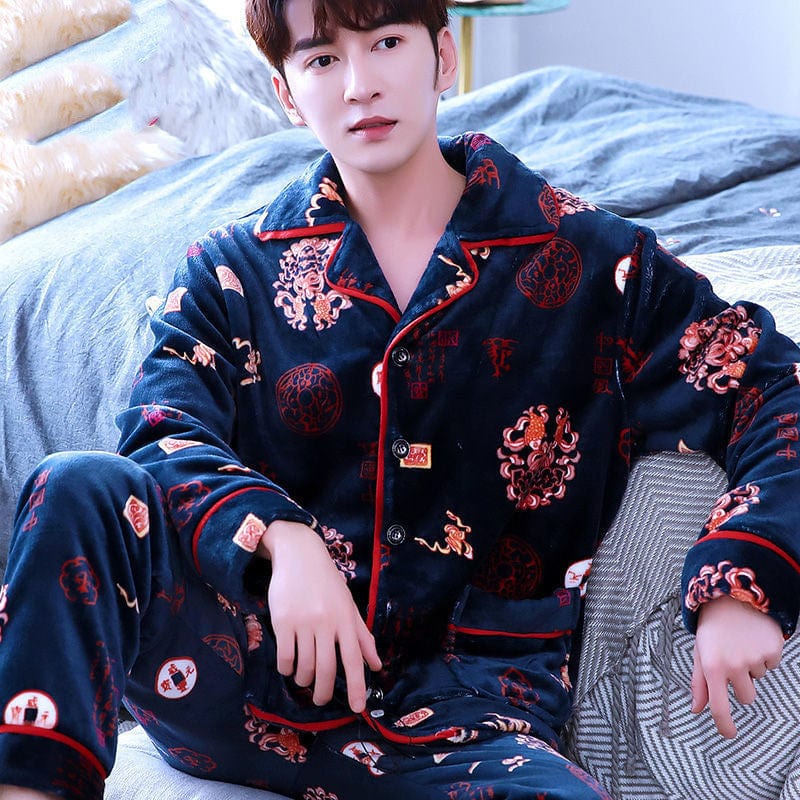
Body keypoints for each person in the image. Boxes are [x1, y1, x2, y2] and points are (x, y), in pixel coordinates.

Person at [0, 0, 797, 797]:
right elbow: (162, 431)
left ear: (443, 58)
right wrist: (281, 535)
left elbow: (776, 389)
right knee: (78, 485)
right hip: (236, 685)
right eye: (321, 59)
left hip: (471, 721)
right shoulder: (229, 271)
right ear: (286, 94)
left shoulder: (594, 263)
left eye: (386, 42)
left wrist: (744, 579)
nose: (359, 85)